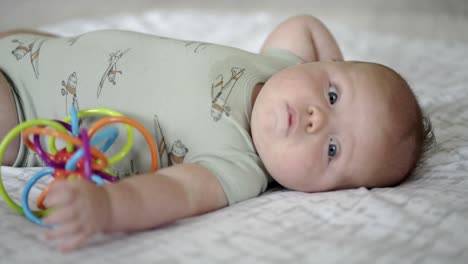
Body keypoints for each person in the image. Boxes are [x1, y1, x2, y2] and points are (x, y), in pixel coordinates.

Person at [0, 15, 434, 251]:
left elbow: (172, 192)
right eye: (334, 96)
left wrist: (106, 206)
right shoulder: (283, 67)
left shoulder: (238, 167)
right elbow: (304, 25)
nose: (316, 119)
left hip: (22, 112)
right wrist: (324, 68)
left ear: (323, 191)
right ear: (319, 69)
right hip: (40, 49)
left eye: (333, 149)